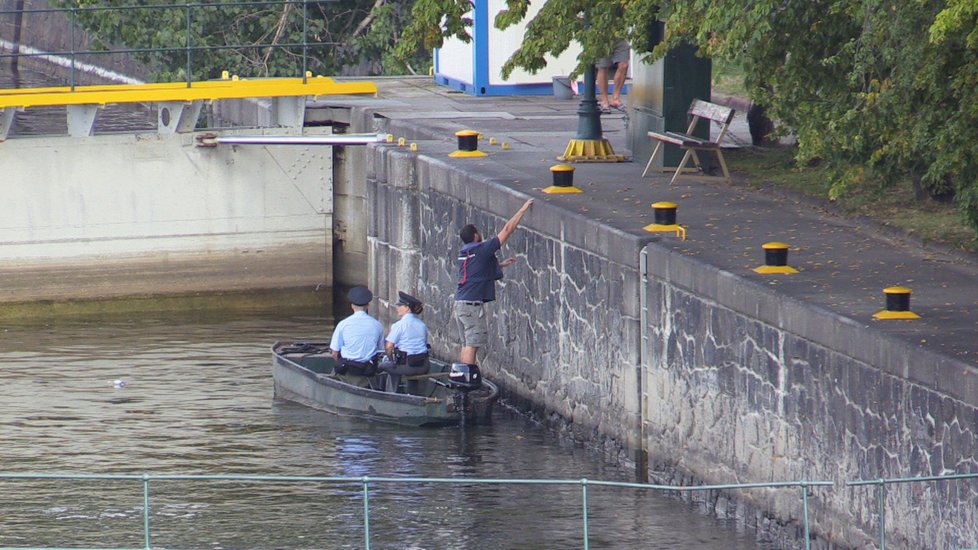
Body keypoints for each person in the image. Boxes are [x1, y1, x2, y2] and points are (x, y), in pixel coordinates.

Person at [454, 198, 534, 365]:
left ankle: (462, 380)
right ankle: (467, 381)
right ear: (476, 235)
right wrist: (523, 209)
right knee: (472, 344)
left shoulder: (465, 253)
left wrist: (500, 265)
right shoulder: (482, 249)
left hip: (460, 304)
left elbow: (475, 272)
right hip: (471, 306)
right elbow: (507, 229)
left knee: (466, 344)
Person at [378, 291, 430, 393]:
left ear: (407, 308)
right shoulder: (422, 325)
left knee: (384, 366)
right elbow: (423, 344)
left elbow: (388, 346)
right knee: (405, 368)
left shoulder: (399, 325)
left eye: (400, 305)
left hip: (407, 367)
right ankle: (412, 394)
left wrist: (391, 360)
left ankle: (389, 393)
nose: (397, 308)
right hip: (424, 365)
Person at [329, 285, 384, 379]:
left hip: (348, 369)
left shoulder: (343, 324)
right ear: (367, 306)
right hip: (368, 369)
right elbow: (380, 349)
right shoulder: (377, 325)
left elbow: (334, 352)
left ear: (352, 306)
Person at [596, 40, 630, 113]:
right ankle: (604, 101)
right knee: (602, 67)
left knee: (624, 65)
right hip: (601, 36)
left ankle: (615, 98)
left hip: (619, 34)